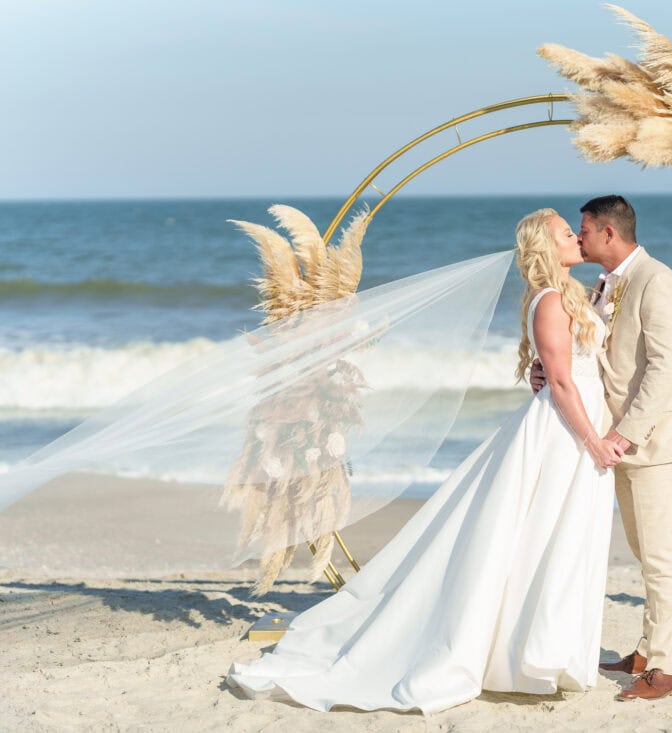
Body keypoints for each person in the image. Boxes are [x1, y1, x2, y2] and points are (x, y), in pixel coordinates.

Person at [226, 208, 623, 713]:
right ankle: (519, 653)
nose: (576, 238)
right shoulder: (549, 300)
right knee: (538, 534)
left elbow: (564, 370)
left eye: (576, 230)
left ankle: (543, 650)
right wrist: (593, 439)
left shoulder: (572, 294)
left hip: (573, 423)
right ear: (546, 247)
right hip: (566, 430)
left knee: (556, 536)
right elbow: (563, 381)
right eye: (568, 233)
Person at [531, 195, 672, 701]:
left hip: (655, 442)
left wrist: (624, 433)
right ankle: (647, 650)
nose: (578, 239)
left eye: (583, 230)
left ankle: (666, 670)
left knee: (660, 556)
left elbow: (665, 368)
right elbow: (589, 357)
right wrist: (544, 371)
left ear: (608, 233)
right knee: (643, 551)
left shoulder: (659, 281)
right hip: (617, 442)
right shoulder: (602, 286)